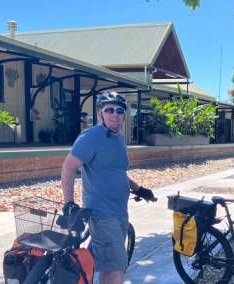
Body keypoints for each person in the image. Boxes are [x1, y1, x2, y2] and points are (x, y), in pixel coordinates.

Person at [60, 91, 154, 284]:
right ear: (100, 113)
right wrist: (68, 202)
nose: (114, 114)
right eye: (109, 110)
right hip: (103, 215)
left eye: (119, 111)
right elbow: (68, 168)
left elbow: (117, 172)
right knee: (116, 268)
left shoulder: (119, 138)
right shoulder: (91, 137)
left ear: (124, 115)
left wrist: (139, 189)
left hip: (119, 211)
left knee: (105, 266)